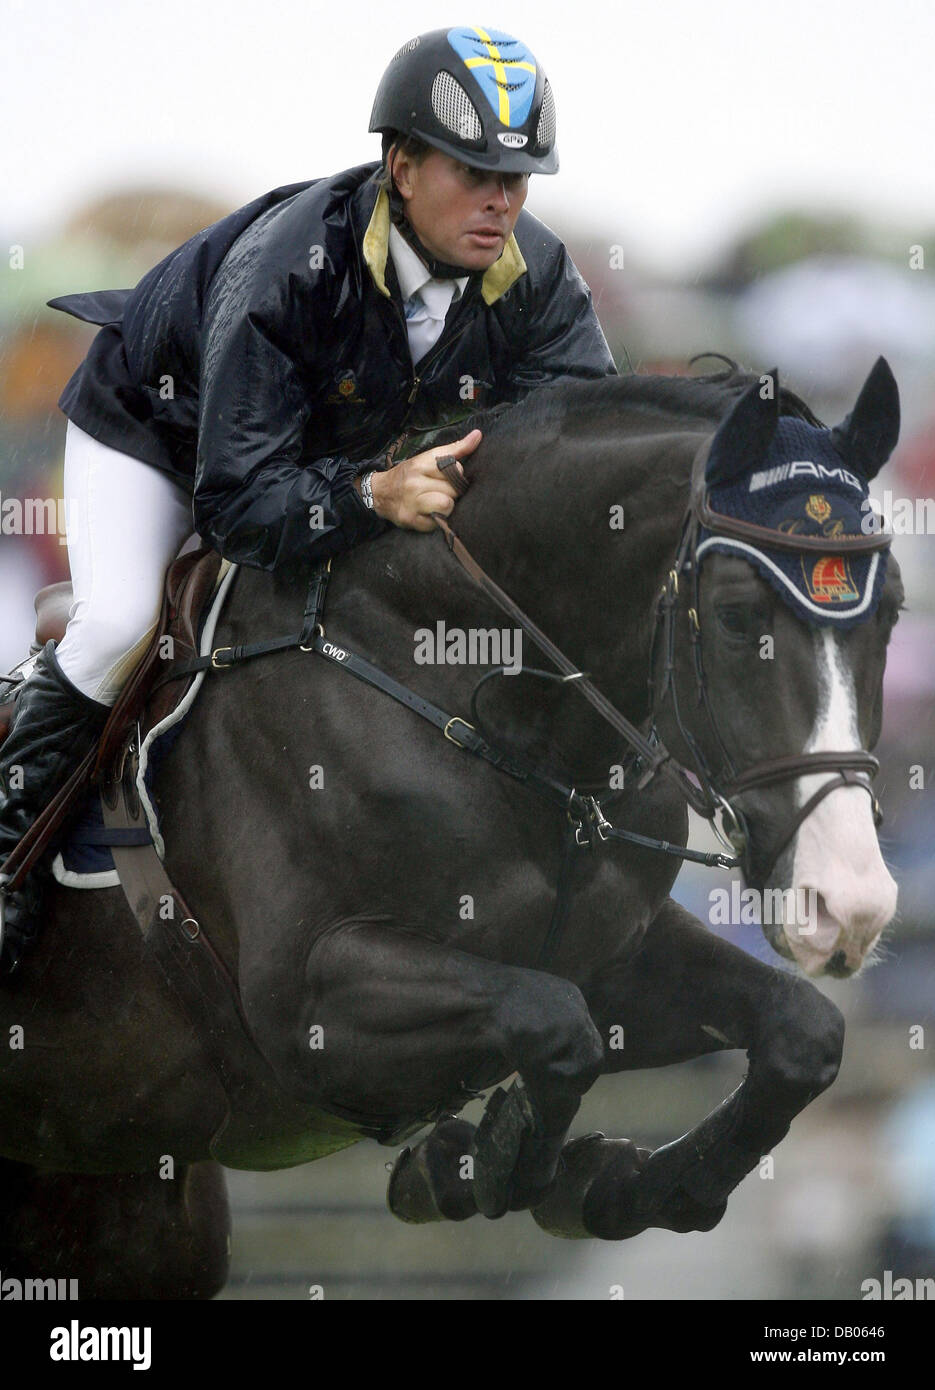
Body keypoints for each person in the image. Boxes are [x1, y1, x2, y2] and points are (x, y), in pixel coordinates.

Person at [0, 25, 617, 975]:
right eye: (473, 171)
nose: (501, 199)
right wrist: (373, 491)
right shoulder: (292, 268)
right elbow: (242, 505)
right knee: (124, 619)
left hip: (314, 465)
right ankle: (9, 861)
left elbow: (581, 448)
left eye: (518, 179)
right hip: (158, 435)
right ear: (402, 167)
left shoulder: (535, 278)